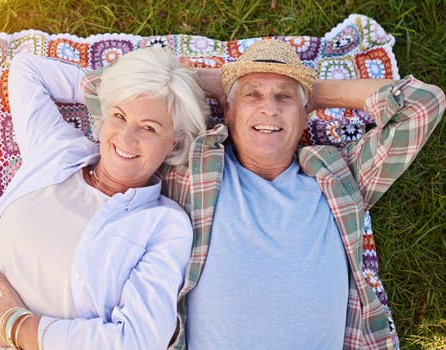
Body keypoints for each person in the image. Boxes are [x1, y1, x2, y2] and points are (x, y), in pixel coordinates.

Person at [83, 39, 445, 349]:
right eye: (252, 95)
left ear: (305, 118)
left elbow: (424, 104)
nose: (268, 107)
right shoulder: (190, 168)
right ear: (227, 111)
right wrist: (214, 83)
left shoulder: (340, 177)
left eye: (284, 97)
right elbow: (102, 88)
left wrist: (315, 92)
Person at [0, 46, 210, 349]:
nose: (126, 138)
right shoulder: (56, 151)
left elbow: (140, 339)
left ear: (174, 143)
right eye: (119, 115)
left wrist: (19, 327)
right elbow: (28, 70)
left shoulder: (164, 225)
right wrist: (133, 81)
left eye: (149, 127)